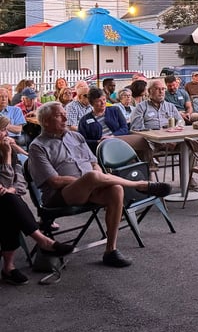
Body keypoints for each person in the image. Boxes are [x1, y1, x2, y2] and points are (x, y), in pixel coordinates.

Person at [29, 102, 171, 268]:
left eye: (64, 114)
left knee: (116, 189)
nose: (66, 118)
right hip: (59, 196)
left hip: (91, 188)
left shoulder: (76, 136)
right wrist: (90, 180)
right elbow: (54, 181)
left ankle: (111, 250)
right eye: (59, 115)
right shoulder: (37, 146)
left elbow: (94, 162)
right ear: (45, 121)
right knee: (92, 176)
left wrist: (95, 179)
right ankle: (139, 184)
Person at [0, 116, 75, 284]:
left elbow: (19, 183)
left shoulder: (9, 151)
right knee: (9, 203)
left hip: (6, 200)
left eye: (6, 130)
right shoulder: (6, 152)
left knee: (9, 203)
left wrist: (11, 189)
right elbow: (4, 182)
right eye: (2, 130)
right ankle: (42, 243)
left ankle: (10, 266)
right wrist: (6, 157)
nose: (6, 134)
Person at [77, 87, 153, 163]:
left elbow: (124, 128)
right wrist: (97, 141)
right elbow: (82, 140)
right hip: (101, 144)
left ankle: (147, 166)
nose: (103, 103)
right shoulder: (84, 120)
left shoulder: (114, 110)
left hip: (119, 138)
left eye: (104, 99)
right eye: (99, 101)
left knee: (141, 140)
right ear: (92, 103)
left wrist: (112, 136)